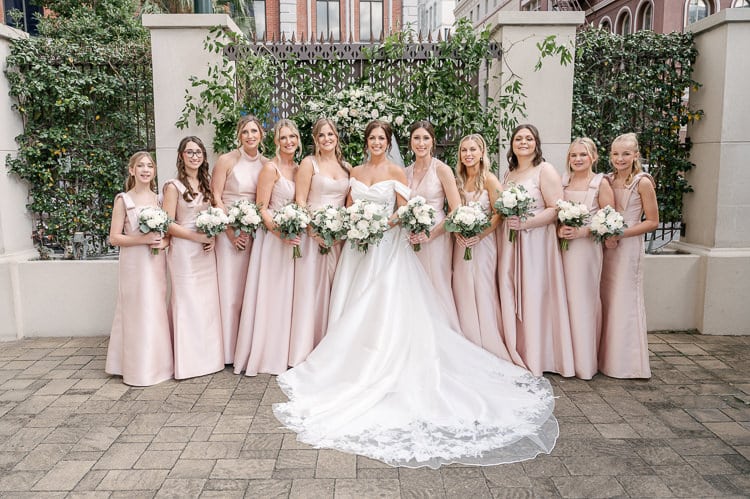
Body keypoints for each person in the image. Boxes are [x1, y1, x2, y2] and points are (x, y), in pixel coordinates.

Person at [273, 120, 557, 469]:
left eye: (382, 138)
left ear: (390, 142)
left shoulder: (399, 171)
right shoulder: (355, 171)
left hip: (388, 245)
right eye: (372, 138)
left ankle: (387, 359)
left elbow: (403, 209)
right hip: (358, 248)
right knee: (353, 302)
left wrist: (381, 224)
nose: (377, 142)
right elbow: (348, 204)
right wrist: (355, 222)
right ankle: (350, 360)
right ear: (366, 142)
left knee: (388, 303)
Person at [498, 124, 575, 377]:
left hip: (536, 243)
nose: (523, 142)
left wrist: (526, 223)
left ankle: (539, 356)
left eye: (528, 138)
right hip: (511, 242)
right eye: (518, 138)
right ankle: (519, 350)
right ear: (512, 144)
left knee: (534, 294)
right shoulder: (509, 173)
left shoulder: (545, 170)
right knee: (512, 291)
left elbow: (555, 208)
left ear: (536, 143)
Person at [234, 119, 301, 376]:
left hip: (292, 238)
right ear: (275, 141)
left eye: (292, 137)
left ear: (298, 139)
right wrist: (280, 233)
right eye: (283, 137)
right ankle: (266, 354)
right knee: (271, 295)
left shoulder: (299, 168)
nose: (288, 142)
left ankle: (284, 352)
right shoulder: (270, 169)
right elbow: (261, 208)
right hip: (273, 239)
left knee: (288, 297)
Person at [105, 151, 173, 386]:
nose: (145, 170)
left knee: (155, 308)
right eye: (141, 166)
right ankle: (135, 367)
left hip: (155, 262)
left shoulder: (160, 199)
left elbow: (167, 235)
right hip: (133, 264)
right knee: (135, 310)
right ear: (131, 170)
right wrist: (143, 240)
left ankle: (158, 366)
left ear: (154, 171)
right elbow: (114, 237)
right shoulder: (123, 200)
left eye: (149, 166)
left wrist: (163, 243)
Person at [288, 118, 350, 366]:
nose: (327, 139)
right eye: (322, 135)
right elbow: (300, 200)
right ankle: (305, 348)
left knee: (336, 291)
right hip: (313, 238)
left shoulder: (346, 167)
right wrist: (314, 231)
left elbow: (348, 205)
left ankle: (331, 348)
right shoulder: (308, 163)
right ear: (315, 139)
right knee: (311, 291)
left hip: (338, 239)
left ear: (337, 137)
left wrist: (339, 231)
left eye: (330, 134)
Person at [163, 136, 224, 380]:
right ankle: (188, 363)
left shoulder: (206, 183)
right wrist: (196, 237)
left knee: (206, 304)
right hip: (184, 252)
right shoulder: (173, 186)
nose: (194, 156)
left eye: (198, 152)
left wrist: (213, 236)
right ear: (181, 156)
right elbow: (168, 224)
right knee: (187, 303)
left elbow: (214, 216)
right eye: (189, 152)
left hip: (205, 253)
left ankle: (209, 359)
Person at [600, 133, 658, 379]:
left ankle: (627, 363)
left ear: (636, 155)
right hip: (607, 246)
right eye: (615, 153)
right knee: (607, 300)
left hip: (628, 247)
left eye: (625, 154)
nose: (620, 158)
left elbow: (653, 222)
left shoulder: (642, 182)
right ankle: (605, 358)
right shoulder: (607, 180)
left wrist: (620, 233)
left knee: (624, 300)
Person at [211, 115, 267, 365]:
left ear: (261, 135)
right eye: (245, 132)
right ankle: (225, 351)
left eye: (254, 131)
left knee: (249, 292)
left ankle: (244, 347)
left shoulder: (266, 164)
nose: (250, 136)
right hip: (228, 233)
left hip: (254, 234)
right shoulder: (227, 160)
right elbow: (215, 196)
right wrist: (230, 231)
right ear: (239, 135)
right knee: (228, 291)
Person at [558, 138, 615, 379]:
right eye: (573, 155)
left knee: (582, 301)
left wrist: (582, 232)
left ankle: (584, 362)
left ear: (593, 157)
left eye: (583, 154)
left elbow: (609, 220)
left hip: (586, 250)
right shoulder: (563, 181)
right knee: (563, 301)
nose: (578, 159)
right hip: (561, 248)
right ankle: (565, 359)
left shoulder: (600, 183)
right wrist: (560, 229)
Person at [451, 134, 511, 360]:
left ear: (481, 152)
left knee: (482, 288)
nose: (468, 154)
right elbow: (453, 212)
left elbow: (499, 213)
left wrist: (479, 235)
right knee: (463, 287)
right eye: (464, 150)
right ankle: (467, 340)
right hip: (461, 244)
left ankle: (487, 343)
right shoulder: (458, 180)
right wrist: (458, 232)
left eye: (473, 150)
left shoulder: (490, 180)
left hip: (484, 243)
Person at [404, 120, 461, 330]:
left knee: (437, 283)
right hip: (412, 237)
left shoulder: (442, 169)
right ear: (410, 142)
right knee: (415, 285)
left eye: (426, 138)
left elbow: (456, 209)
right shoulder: (405, 172)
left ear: (433, 141)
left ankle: (444, 330)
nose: (421, 143)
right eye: (416, 138)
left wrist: (432, 234)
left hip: (437, 235)